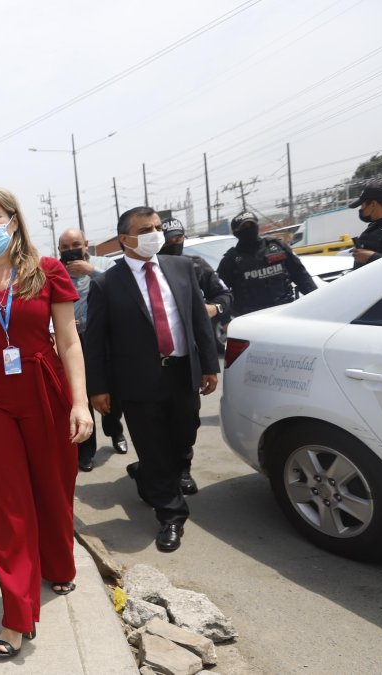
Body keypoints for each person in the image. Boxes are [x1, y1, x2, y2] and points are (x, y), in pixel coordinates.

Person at [0, 188, 92, 660]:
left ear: (14, 221)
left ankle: (58, 561)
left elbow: (70, 342)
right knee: (6, 503)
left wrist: (81, 404)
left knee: (53, 485)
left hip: (43, 384)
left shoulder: (48, 271)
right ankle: (17, 613)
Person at [84, 207, 219, 555]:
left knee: (184, 435)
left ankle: (146, 475)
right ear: (125, 239)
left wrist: (208, 365)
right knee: (154, 446)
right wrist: (97, 388)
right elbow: (96, 341)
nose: (155, 234)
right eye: (146, 229)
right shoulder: (106, 283)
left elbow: (197, 321)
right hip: (137, 381)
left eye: (157, 227)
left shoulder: (181, 268)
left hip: (181, 371)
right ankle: (171, 515)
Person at [158, 218, 233, 494]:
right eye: (168, 240)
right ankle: (160, 471)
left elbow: (224, 295)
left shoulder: (195, 266)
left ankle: (183, 468)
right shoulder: (147, 273)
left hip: (190, 358)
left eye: (178, 239)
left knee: (187, 420)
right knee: (157, 424)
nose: (173, 244)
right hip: (155, 360)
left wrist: (213, 308)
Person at [56, 228, 122, 472]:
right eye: (65, 247)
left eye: (75, 244)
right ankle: (86, 451)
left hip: (104, 339)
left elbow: (122, 285)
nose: (70, 250)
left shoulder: (104, 263)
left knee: (110, 391)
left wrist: (91, 271)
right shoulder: (55, 271)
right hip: (73, 341)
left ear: (85, 244)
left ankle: (116, 432)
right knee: (79, 394)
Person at [216, 212, 316, 316]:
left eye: (252, 225)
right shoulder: (231, 260)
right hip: (252, 318)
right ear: (236, 232)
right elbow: (219, 294)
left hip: (285, 311)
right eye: (244, 227)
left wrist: (317, 301)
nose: (249, 229)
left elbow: (301, 276)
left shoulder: (277, 246)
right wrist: (225, 320)